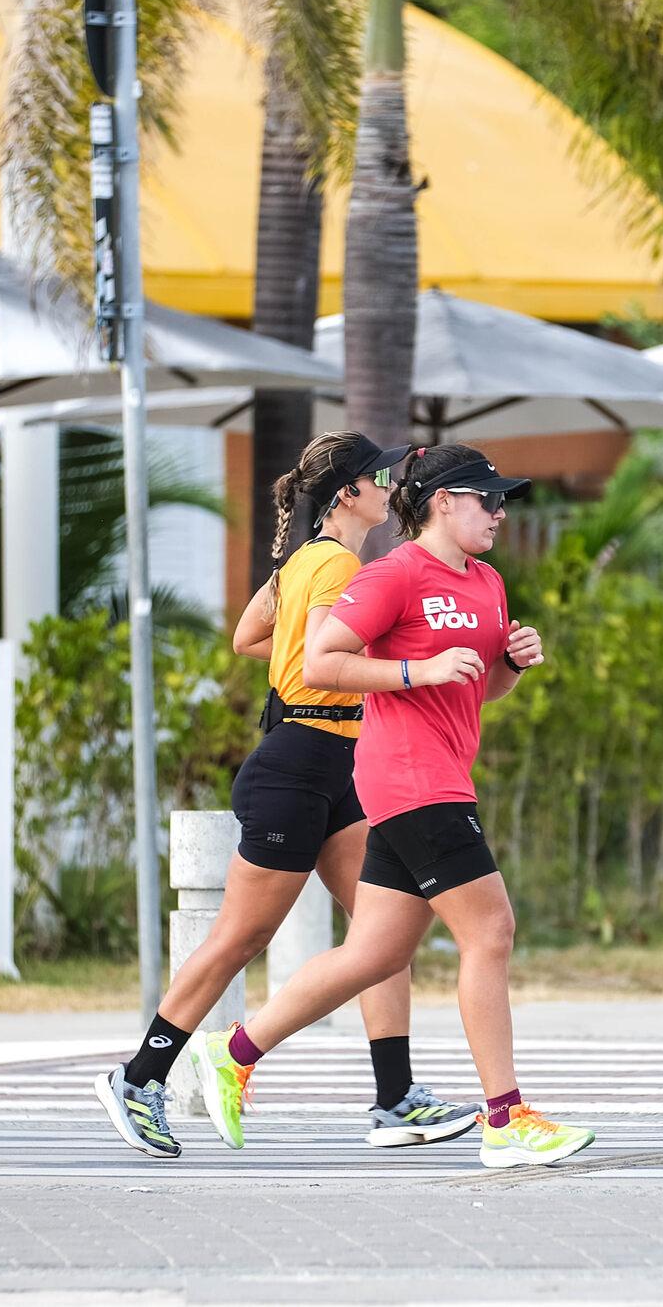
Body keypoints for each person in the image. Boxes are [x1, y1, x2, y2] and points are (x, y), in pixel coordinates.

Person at [187, 444, 594, 1170]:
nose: (499, 512)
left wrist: (511, 665)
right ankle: (507, 1118)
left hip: (441, 772)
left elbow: (478, 689)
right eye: (486, 499)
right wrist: (416, 668)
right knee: (491, 929)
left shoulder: (490, 583)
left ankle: (233, 1051)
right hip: (406, 776)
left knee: (375, 952)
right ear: (443, 501)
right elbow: (322, 660)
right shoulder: (393, 574)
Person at [93, 432, 479, 1158]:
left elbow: (248, 638)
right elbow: (321, 659)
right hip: (301, 762)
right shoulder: (333, 564)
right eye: (379, 475)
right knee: (242, 936)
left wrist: (318, 656)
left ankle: (395, 1097)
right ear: (348, 494)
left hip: (340, 763)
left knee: (381, 931)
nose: (390, 484)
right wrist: (406, 668)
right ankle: (139, 1075)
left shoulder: (305, 562)